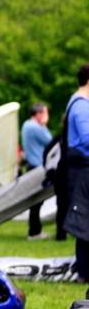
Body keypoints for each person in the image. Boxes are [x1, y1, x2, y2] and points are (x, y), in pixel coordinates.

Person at [64, 63, 89, 283]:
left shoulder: (78, 102)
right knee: (84, 220)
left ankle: (84, 270)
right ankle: (84, 272)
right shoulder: (82, 105)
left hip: (81, 169)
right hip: (83, 170)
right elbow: (87, 139)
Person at [20, 102, 52, 240]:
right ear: (38, 114)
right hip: (37, 166)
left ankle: (35, 230)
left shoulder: (26, 125)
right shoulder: (35, 127)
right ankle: (34, 232)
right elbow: (50, 140)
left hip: (31, 165)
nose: (46, 116)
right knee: (36, 202)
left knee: (35, 202)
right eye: (45, 113)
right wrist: (44, 124)